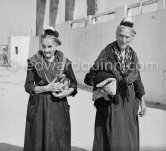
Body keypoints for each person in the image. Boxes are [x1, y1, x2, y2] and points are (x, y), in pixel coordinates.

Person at [84, 17, 147, 151]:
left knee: (128, 136)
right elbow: (90, 76)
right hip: (111, 102)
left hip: (128, 103)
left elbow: (137, 79)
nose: (123, 40)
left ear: (132, 38)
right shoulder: (107, 52)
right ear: (116, 35)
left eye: (127, 37)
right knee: (110, 135)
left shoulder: (133, 55)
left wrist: (142, 100)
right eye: (121, 36)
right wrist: (104, 89)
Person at [23, 26, 77, 151]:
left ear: (57, 45)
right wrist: (46, 88)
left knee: (57, 139)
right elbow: (28, 86)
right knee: (37, 139)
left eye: (50, 47)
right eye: (43, 46)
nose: (46, 50)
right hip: (38, 106)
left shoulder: (65, 62)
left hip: (58, 106)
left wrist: (66, 92)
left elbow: (74, 84)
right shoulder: (33, 61)